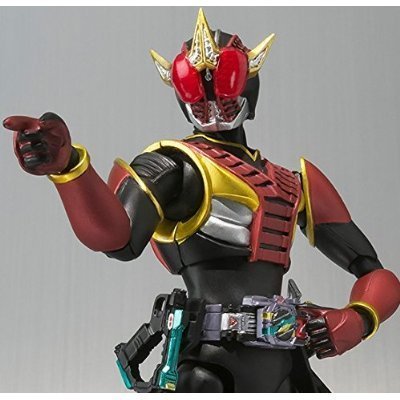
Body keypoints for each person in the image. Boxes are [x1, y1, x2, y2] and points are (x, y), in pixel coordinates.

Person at [3, 8, 399, 393]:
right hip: (209, 365)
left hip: (287, 365)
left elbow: (375, 274)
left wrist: (358, 318)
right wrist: (70, 168)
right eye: (200, 102)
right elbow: (117, 239)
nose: (212, 111)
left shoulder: (292, 183)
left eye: (223, 100)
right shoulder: (174, 165)